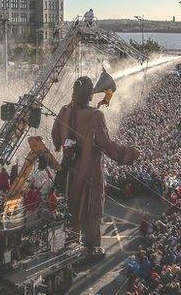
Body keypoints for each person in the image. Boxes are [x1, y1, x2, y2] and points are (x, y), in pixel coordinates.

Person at [51, 76, 138, 260]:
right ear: (90, 94)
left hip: (68, 171)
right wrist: (129, 154)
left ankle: (70, 242)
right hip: (90, 173)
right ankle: (91, 246)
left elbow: (55, 136)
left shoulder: (64, 110)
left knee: (70, 207)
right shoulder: (96, 115)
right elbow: (107, 145)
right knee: (92, 209)